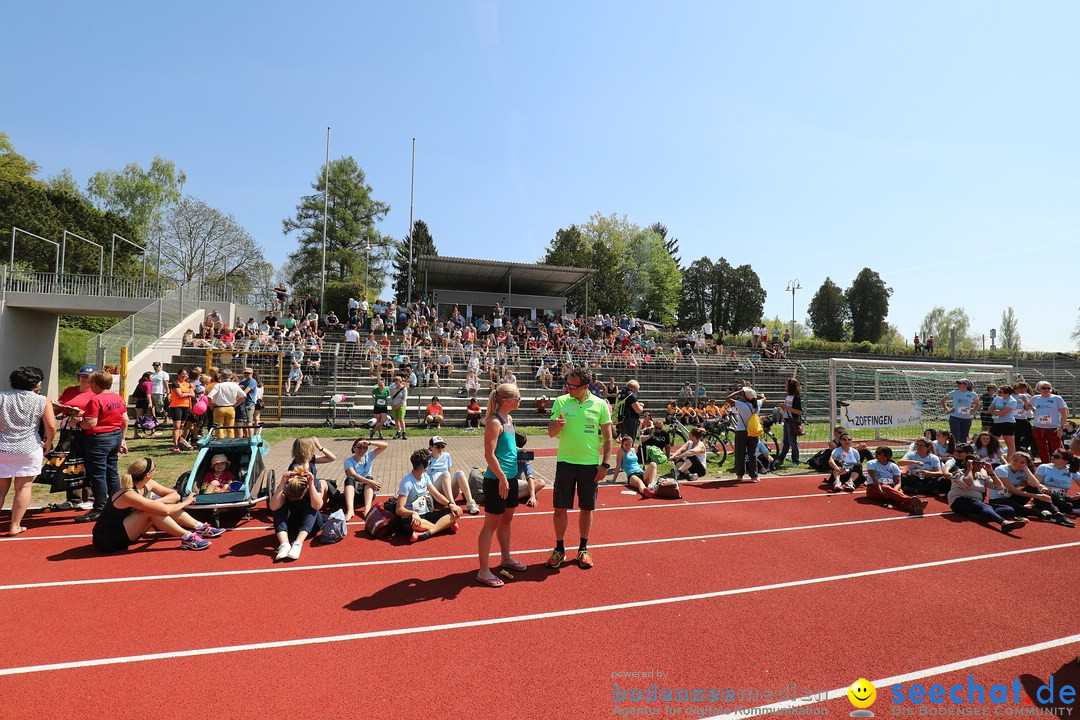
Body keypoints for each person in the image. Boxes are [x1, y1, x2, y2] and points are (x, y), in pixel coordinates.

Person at [546, 368, 613, 570]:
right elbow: (550, 432)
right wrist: (557, 425)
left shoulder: (600, 404)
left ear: (585, 387)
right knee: (560, 508)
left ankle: (583, 549)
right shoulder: (561, 401)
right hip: (565, 462)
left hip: (590, 465)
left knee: (587, 508)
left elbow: (609, 438)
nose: (568, 389)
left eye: (573, 386)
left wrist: (605, 465)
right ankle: (559, 549)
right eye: (567, 384)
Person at [92, 457, 223, 553]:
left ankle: (199, 527)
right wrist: (186, 502)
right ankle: (188, 537)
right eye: (155, 469)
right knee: (152, 511)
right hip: (107, 539)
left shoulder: (148, 484)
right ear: (148, 474)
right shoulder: (127, 493)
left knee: (153, 508)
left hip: (127, 528)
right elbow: (165, 510)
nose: (156, 470)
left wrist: (153, 503)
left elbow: (175, 495)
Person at [477, 384, 525, 587]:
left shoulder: (509, 419)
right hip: (497, 480)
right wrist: (503, 478)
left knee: (506, 521)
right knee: (490, 525)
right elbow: (489, 455)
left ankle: (506, 558)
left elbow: (507, 451)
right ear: (507, 401)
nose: (521, 400)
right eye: (518, 397)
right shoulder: (493, 422)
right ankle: (483, 570)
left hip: (510, 478)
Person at [0, 367, 56, 535]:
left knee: (1, 489)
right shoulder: (42, 400)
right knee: (23, 487)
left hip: (2, 446)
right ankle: (15, 525)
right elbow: (51, 426)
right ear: (36, 383)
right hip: (28, 447)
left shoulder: (1, 397)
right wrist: (49, 441)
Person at [77, 370, 129, 523]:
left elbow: (91, 423)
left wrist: (79, 423)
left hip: (98, 438)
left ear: (95, 383)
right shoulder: (118, 398)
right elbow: (124, 420)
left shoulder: (95, 400)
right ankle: (118, 503)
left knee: (98, 474)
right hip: (115, 435)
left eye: (90, 382)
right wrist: (123, 439)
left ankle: (100, 507)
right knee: (112, 471)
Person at [947, 455, 1026, 534]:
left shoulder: (980, 476)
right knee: (984, 506)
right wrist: (969, 468)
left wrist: (991, 472)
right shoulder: (959, 474)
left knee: (1008, 509)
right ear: (968, 464)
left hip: (977, 503)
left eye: (981, 463)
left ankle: (981, 515)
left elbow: (999, 487)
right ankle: (1003, 523)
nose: (980, 465)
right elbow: (968, 482)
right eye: (976, 463)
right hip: (958, 502)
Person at [396, 448, 461, 543]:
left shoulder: (425, 477)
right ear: (423, 466)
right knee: (417, 524)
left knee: (455, 513)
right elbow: (399, 509)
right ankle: (443, 526)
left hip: (425, 514)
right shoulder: (407, 483)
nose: (430, 465)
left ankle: (427, 532)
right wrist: (413, 513)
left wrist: (450, 504)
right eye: (429, 463)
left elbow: (436, 494)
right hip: (412, 518)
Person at [270, 466, 326, 561]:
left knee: (312, 506)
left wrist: (311, 484)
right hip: (291, 528)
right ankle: (284, 544)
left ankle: (298, 544)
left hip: (311, 526)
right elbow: (273, 506)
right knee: (278, 508)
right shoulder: (286, 488)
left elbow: (318, 506)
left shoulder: (311, 486)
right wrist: (282, 482)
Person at [865, 446, 927, 514]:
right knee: (887, 488)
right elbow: (875, 480)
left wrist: (893, 492)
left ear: (886, 457)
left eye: (878, 453)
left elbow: (898, 483)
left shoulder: (893, 466)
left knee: (898, 495)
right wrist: (881, 492)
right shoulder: (871, 463)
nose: (876, 455)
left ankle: (914, 508)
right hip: (875, 488)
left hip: (891, 488)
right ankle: (910, 500)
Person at [427, 435, 480, 515]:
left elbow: (449, 473)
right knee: (446, 473)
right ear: (430, 447)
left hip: (448, 491)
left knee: (460, 472)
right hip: (435, 493)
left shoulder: (447, 456)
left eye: (442, 446)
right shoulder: (427, 458)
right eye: (437, 446)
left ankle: (470, 503)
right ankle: (452, 504)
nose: (440, 449)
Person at [343, 438, 388, 521]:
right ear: (353, 448)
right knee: (349, 479)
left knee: (369, 478)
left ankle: (367, 510)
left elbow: (385, 445)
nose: (362, 450)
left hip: (366, 495)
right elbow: (353, 474)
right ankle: (350, 510)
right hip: (353, 495)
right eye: (359, 447)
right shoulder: (348, 461)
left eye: (365, 448)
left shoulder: (369, 456)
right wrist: (370, 481)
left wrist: (369, 442)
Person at [726, 386, 764, 483]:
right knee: (753, 454)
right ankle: (754, 476)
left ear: (745, 396)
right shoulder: (758, 404)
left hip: (741, 431)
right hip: (754, 431)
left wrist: (739, 391)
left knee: (740, 453)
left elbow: (727, 398)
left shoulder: (741, 405)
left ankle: (740, 474)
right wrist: (755, 394)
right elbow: (764, 397)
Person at [1030, 381, 1069, 463]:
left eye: (1049, 388)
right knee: (1041, 448)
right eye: (1044, 388)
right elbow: (1027, 406)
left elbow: (1064, 413)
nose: (1046, 389)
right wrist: (1032, 409)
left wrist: (1061, 427)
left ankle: (1059, 464)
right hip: (1038, 427)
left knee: (1057, 448)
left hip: (1053, 427)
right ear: (1039, 389)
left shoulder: (1057, 398)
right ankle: (1046, 464)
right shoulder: (1035, 398)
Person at [207, 369, 245, 439]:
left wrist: (211, 405)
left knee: (219, 427)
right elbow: (244, 396)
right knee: (230, 427)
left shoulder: (218, 386)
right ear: (231, 376)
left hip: (219, 408)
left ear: (221, 376)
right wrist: (236, 404)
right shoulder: (235, 385)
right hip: (231, 408)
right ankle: (230, 442)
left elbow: (209, 396)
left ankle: (220, 442)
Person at [774, 377, 803, 469]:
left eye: (786, 384)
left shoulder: (796, 397)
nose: (785, 386)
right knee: (786, 441)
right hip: (786, 420)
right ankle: (781, 458)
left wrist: (786, 407)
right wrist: (783, 408)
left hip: (792, 421)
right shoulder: (788, 396)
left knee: (792, 442)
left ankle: (795, 460)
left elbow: (799, 411)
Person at [940, 378, 979, 444]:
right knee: (955, 436)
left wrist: (973, 410)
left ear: (966, 385)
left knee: (964, 437)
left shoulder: (973, 394)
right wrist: (948, 410)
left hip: (967, 418)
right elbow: (943, 401)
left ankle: (962, 452)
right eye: (958, 383)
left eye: (960, 383)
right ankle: (953, 450)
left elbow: (977, 404)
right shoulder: (954, 393)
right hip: (955, 417)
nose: (958, 385)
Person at [167, 369, 195, 453]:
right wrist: (188, 394)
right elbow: (179, 395)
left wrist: (186, 395)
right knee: (177, 426)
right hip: (176, 406)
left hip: (185, 406)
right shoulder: (175, 384)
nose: (184, 376)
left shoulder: (187, 384)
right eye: (183, 374)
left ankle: (180, 442)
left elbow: (193, 395)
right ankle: (175, 445)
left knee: (181, 426)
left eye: (186, 374)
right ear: (178, 375)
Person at [237, 368, 258, 437]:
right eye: (245, 373)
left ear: (252, 374)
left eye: (248, 373)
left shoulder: (252, 382)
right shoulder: (243, 381)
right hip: (242, 403)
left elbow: (245, 392)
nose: (246, 374)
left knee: (249, 422)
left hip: (249, 404)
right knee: (243, 422)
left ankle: (251, 437)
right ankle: (246, 436)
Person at [389, 375, 409, 439]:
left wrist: (398, 405)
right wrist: (392, 405)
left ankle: (404, 432)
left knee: (401, 419)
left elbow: (404, 399)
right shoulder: (393, 389)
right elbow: (391, 397)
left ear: (400, 381)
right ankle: (398, 432)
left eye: (397, 380)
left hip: (401, 405)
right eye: (395, 380)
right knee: (396, 419)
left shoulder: (404, 388)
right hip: (394, 405)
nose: (396, 382)